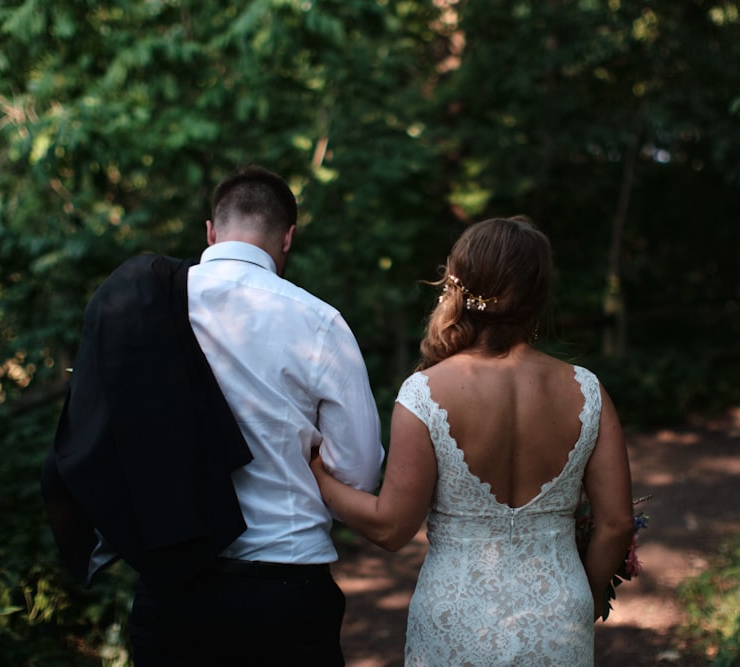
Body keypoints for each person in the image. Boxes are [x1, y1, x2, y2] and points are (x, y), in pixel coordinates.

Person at [42, 164, 385, 667]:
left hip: (175, 585)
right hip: (286, 585)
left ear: (210, 231)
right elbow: (358, 472)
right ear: (288, 238)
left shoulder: (143, 307)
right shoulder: (319, 321)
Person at [311, 216, 635, 666]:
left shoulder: (424, 394)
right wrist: (587, 592)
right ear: (540, 294)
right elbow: (616, 524)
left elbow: (390, 527)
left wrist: (321, 480)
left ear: (458, 284)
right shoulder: (588, 391)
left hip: (456, 618)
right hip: (558, 613)